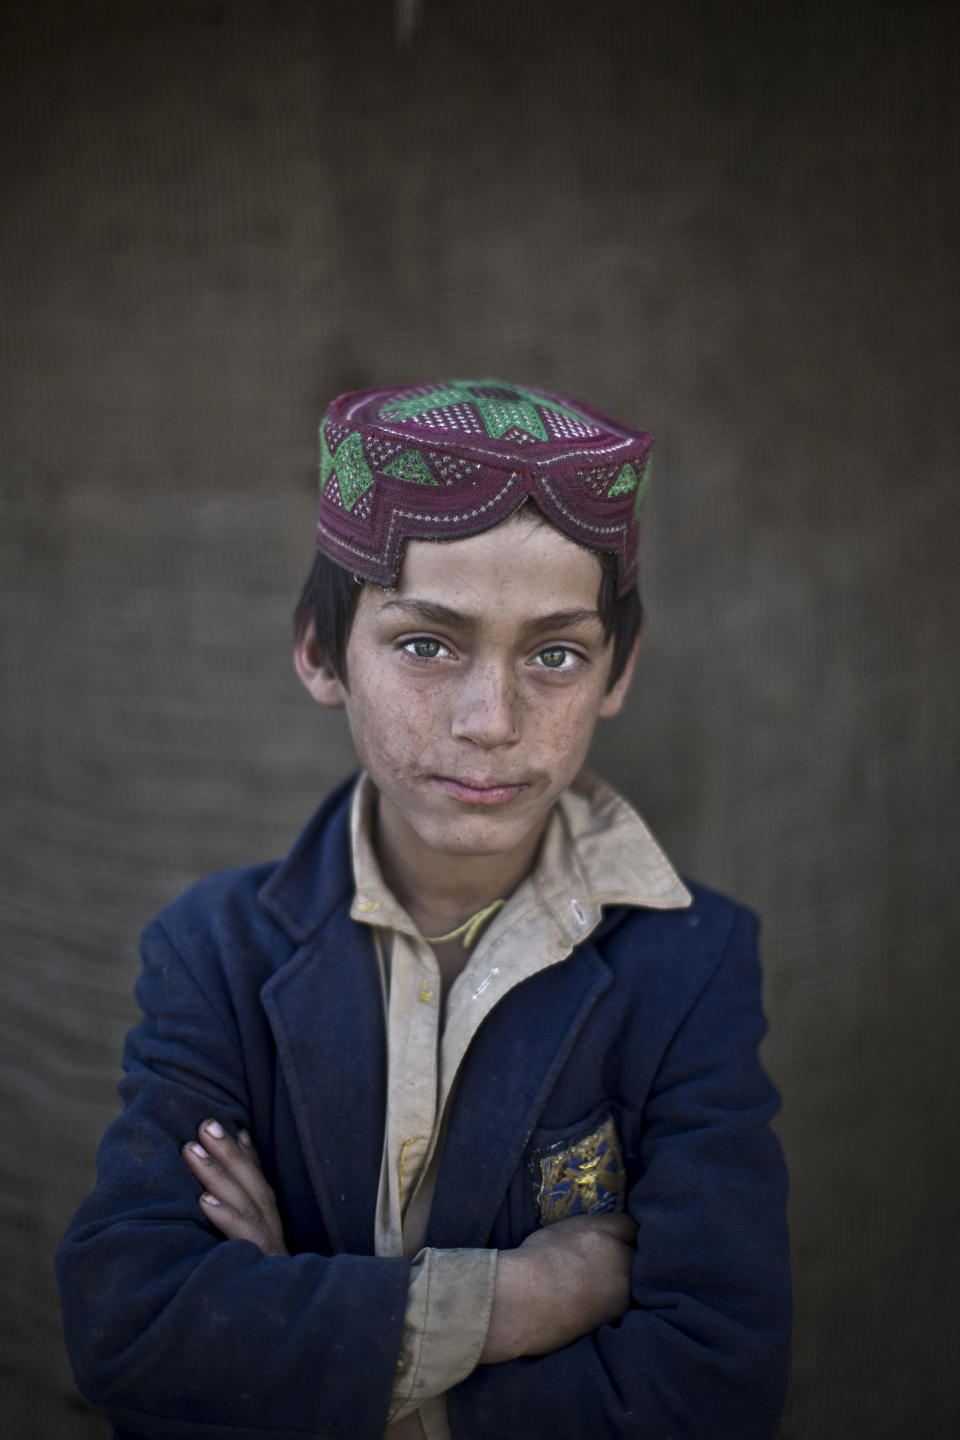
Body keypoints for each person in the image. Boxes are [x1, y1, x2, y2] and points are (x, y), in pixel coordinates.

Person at [57, 379, 791, 1440]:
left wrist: (309, 1348)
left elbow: (716, 1389)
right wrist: (526, 1300)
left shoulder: (693, 962)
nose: (491, 721)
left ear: (618, 669)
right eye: (425, 644)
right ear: (320, 652)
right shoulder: (211, 952)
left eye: (555, 655)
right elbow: (136, 1329)